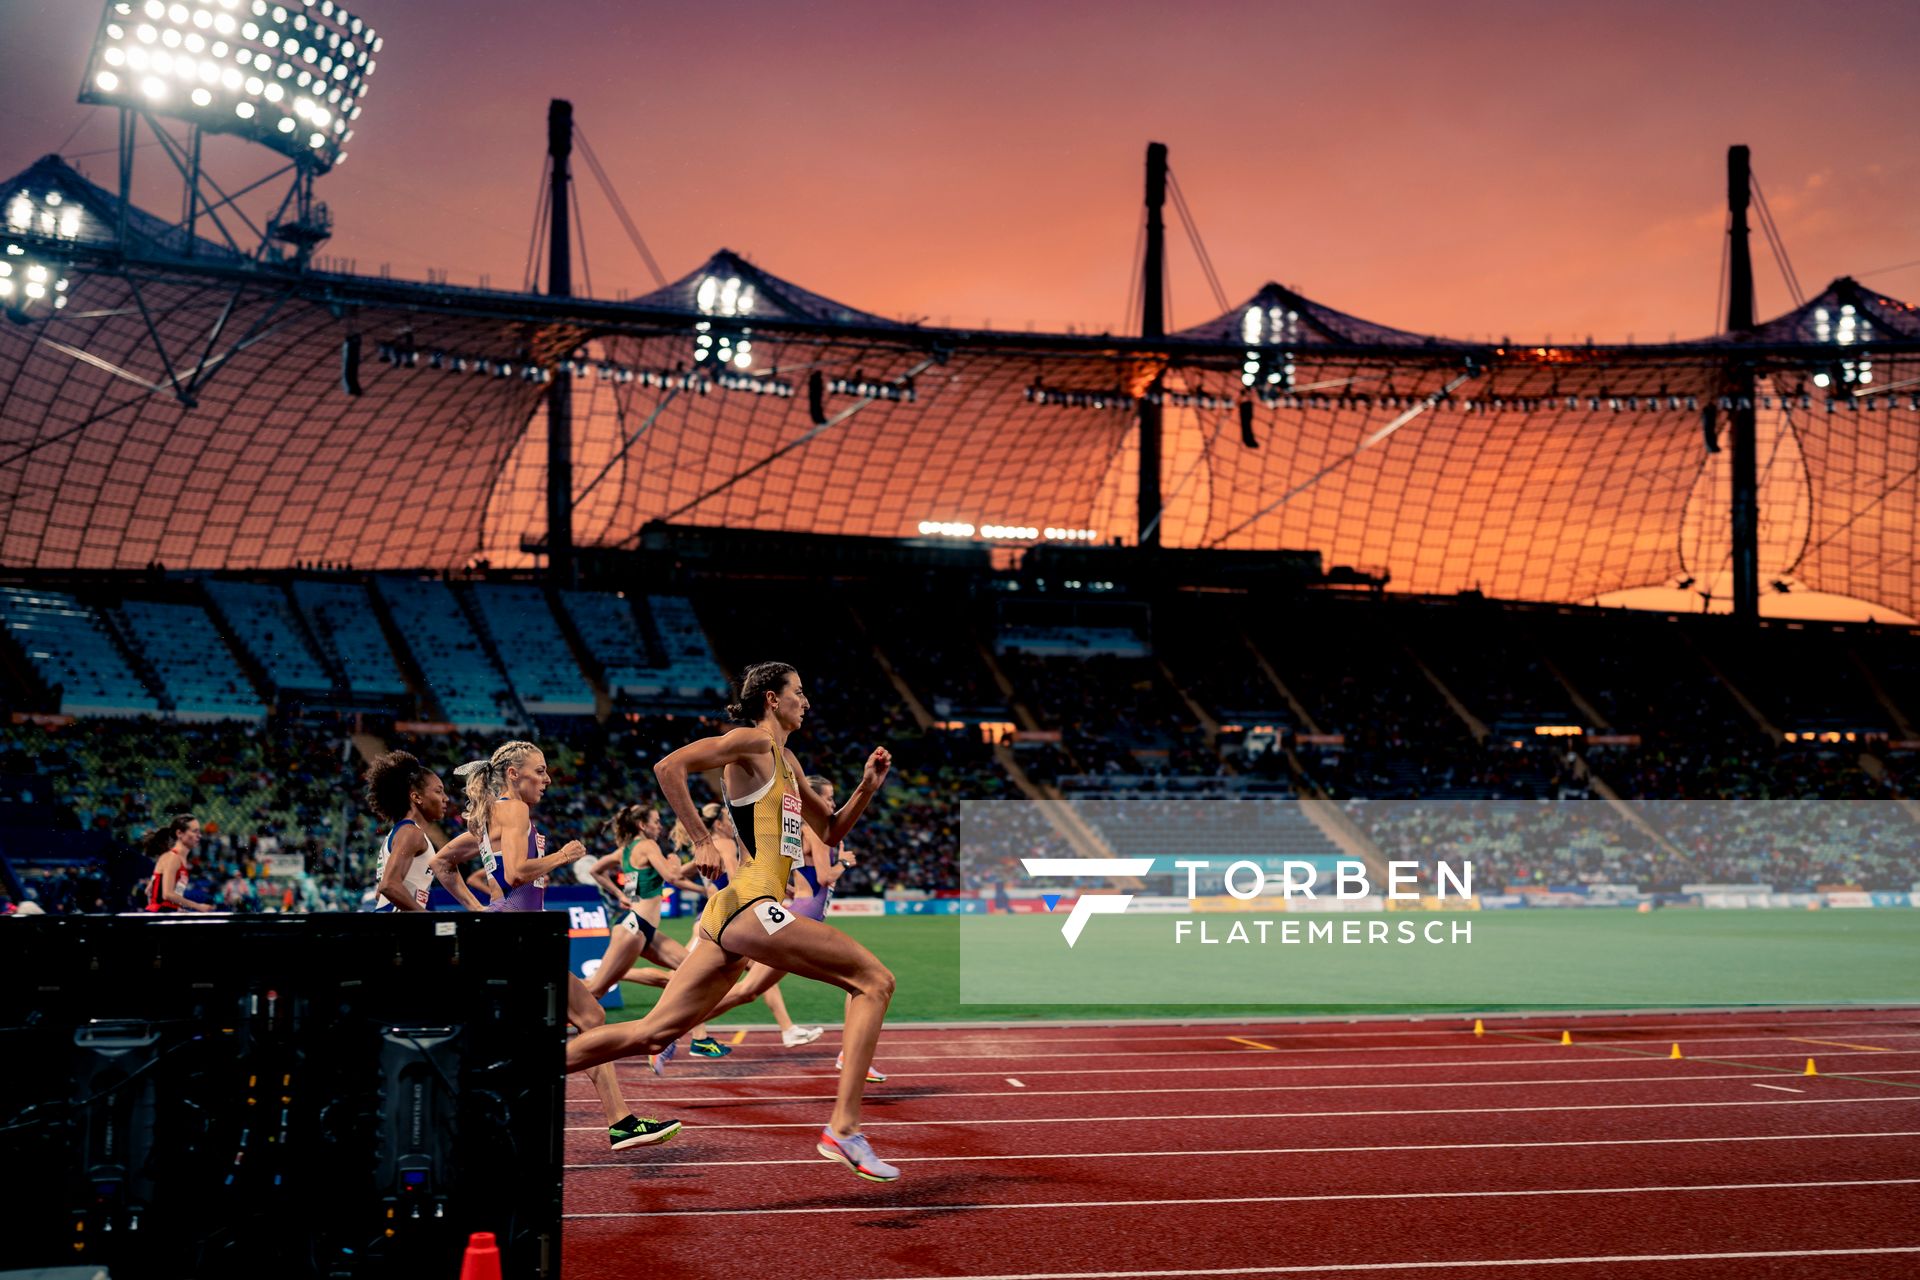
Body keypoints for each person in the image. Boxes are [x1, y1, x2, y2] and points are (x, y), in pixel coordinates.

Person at [565, 662, 900, 1180]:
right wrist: (701, 839)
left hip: (734, 912)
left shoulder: (787, 760)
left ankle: (511, 1068)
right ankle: (844, 1129)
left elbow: (830, 831)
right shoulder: (753, 741)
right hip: (750, 904)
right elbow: (668, 767)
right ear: (771, 698)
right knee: (874, 981)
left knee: (654, 1033)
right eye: (798, 691)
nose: (806, 701)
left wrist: (867, 788)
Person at [460, 741, 679, 1149]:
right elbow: (517, 873)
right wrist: (564, 854)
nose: (547, 778)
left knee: (584, 1017)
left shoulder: (491, 814)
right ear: (513, 774)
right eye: (539, 770)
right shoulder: (514, 809)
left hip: (513, 933)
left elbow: (443, 862)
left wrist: (482, 908)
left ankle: (619, 1121)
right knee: (581, 1019)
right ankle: (484, 1113)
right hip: (521, 937)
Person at [698, 776, 873, 1072]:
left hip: (800, 911)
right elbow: (824, 877)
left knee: (748, 991)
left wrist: (790, 890)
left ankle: (677, 1029)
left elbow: (793, 872)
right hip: (806, 916)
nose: (832, 803)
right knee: (860, 979)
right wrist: (843, 862)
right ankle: (851, 1057)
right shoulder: (814, 831)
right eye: (828, 798)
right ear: (813, 800)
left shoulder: (799, 829)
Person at [580, 805, 731, 1058]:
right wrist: (674, 860)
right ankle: (547, 1008)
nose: (660, 826)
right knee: (595, 989)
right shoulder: (648, 845)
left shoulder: (624, 851)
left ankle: (696, 1038)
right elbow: (672, 876)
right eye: (656, 821)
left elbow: (597, 871)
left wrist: (620, 895)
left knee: (692, 971)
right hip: (633, 927)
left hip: (643, 929)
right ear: (642, 825)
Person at [364, 751, 485, 911]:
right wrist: (426, 917)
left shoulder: (402, 831)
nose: (446, 798)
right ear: (416, 797)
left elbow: (380, 894)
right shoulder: (411, 833)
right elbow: (388, 886)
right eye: (438, 791)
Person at [144, 814, 213, 913]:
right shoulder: (172, 858)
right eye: (194, 831)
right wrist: (198, 906)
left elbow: (149, 891)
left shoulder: (179, 860)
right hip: (160, 914)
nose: (199, 836)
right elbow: (167, 894)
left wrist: (175, 907)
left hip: (165, 912)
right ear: (179, 834)